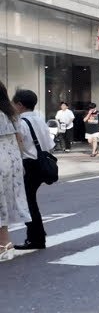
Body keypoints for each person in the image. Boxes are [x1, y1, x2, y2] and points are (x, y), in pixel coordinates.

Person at [13, 89, 52, 250]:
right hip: (42, 163)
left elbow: (18, 146)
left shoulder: (21, 122)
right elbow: (50, 144)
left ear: (20, 105)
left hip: (29, 165)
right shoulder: (40, 120)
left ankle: (36, 238)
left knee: (28, 203)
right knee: (30, 201)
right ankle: (38, 235)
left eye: (14, 104)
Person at [0, 82, 31, 260]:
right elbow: (19, 140)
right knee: (4, 201)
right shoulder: (11, 113)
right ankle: (5, 243)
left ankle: (4, 244)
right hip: (12, 162)